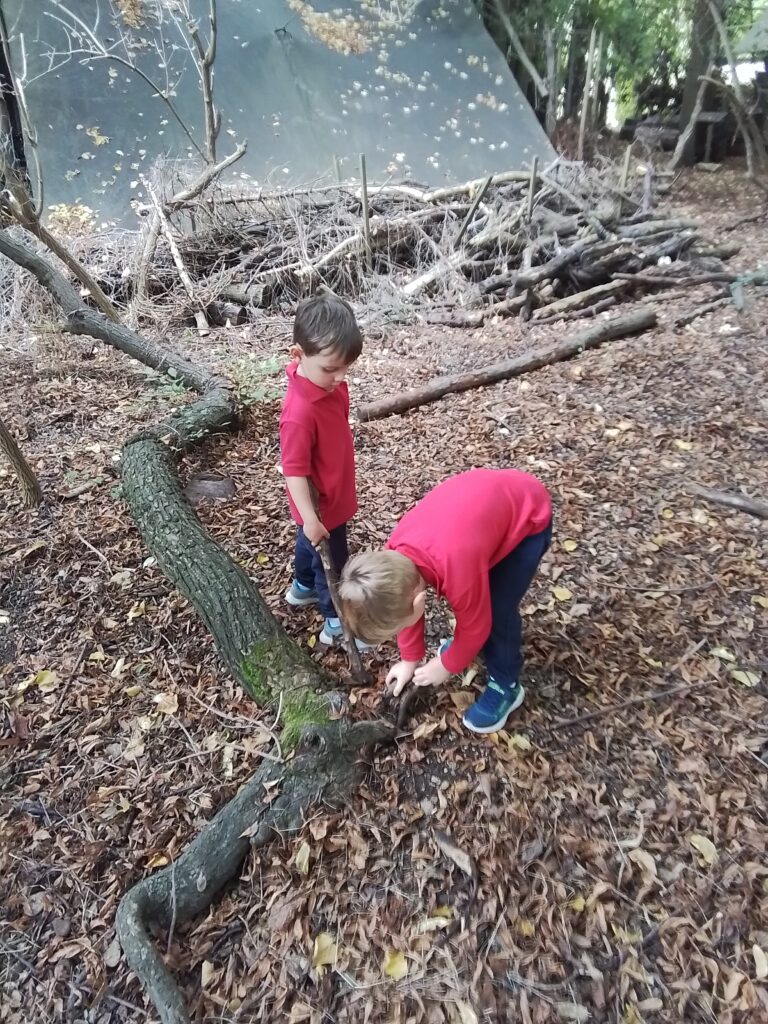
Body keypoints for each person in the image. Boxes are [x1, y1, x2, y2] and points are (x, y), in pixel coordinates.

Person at [338, 468, 552, 732]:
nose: (401, 628)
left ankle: (506, 684)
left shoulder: (457, 570)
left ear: (417, 603)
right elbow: (407, 611)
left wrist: (447, 665)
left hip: (528, 517)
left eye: (399, 626)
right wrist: (409, 659)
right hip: (486, 508)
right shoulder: (393, 560)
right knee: (480, 607)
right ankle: (469, 650)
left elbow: (476, 626)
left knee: (497, 612)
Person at [279, 288, 368, 648]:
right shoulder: (298, 413)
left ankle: (301, 588)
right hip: (320, 508)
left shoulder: (333, 387)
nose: (340, 377)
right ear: (298, 354)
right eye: (331, 369)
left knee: (308, 547)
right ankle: (335, 623)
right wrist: (311, 518)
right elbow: (294, 471)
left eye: (346, 368)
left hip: (335, 493)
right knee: (330, 561)